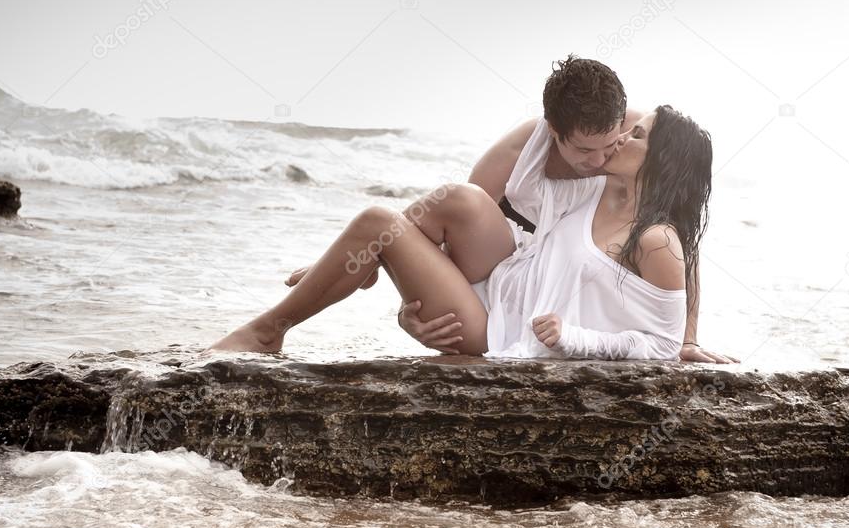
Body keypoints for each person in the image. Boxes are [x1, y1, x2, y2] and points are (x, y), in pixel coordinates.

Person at [209, 89, 718, 360]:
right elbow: (452, 224)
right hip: (501, 279)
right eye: (620, 132)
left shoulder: (656, 237)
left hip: (499, 329)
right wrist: (407, 309)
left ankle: (267, 329)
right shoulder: (594, 176)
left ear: (662, 159)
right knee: (456, 199)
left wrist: (685, 341)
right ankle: (361, 264)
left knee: (375, 222)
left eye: (634, 135)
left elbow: (667, 321)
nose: (618, 140)